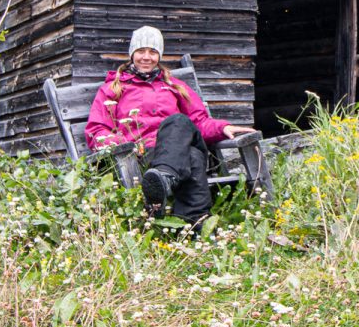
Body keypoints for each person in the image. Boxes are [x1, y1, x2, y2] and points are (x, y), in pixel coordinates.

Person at [84, 26, 256, 227]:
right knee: (193, 155)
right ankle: (195, 225)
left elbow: (199, 121)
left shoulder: (175, 86)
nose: (146, 57)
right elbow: (97, 131)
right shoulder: (113, 88)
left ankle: (164, 179)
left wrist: (223, 128)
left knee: (179, 122)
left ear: (159, 55)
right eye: (141, 51)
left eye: (153, 52)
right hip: (143, 155)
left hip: (173, 152)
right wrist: (127, 145)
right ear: (132, 54)